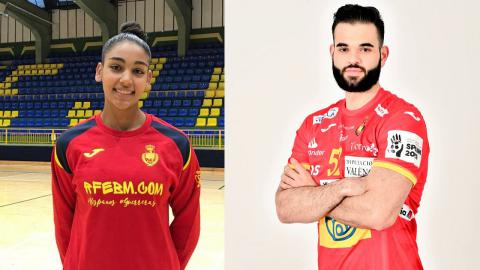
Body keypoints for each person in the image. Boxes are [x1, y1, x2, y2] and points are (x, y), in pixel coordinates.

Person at [275, 5, 429, 270]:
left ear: (383, 55)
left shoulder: (403, 120)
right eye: (344, 48)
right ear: (332, 53)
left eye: (365, 49)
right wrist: (343, 187)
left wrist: (314, 192)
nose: (353, 59)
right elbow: (285, 207)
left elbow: (377, 213)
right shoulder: (313, 125)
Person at [51, 22, 201, 270]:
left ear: (148, 79)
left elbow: (189, 225)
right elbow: (64, 226)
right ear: (100, 71)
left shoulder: (176, 145)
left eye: (138, 71)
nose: (126, 79)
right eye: (116, 67)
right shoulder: (69, 145)